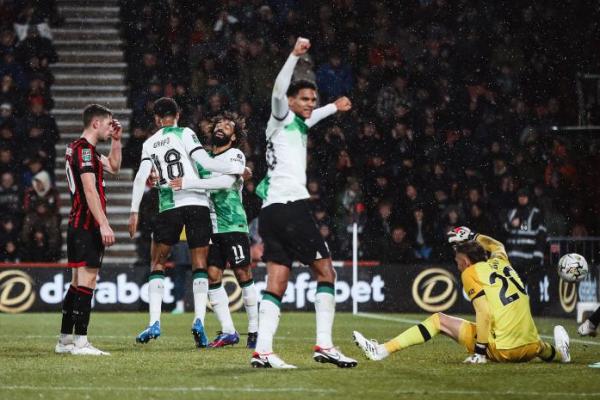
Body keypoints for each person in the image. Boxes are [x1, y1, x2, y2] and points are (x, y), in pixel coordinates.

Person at [251, 37, 356, 369]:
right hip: (291, 207)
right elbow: (278, 92)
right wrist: (293, 57)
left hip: (270, 211)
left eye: (314, 99)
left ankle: (263, 351)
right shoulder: (281, 115)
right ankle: (324, 344)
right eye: (305, 99)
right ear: (291, 101)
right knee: (326, 273)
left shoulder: (296, 123)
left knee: (277, 281)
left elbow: (312, 119)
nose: (310, 103)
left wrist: (332, 108)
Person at [353, 227, 571, 364]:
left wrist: (480, 352)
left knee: (438, 320)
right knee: (538, 345)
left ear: (466, 261)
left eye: (457, 262)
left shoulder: (470, 272)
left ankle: (381, 350)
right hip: (532, 346)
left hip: (503, 350)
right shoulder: (501, 261)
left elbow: (484, 313)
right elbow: (497, 245)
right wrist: (473, 235)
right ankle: (561, 355)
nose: (457, 266)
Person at [129, 97, 247, 347]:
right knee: (200, 265)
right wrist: (233, 169)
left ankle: (154, 322)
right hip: (197, 204)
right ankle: (199, 321)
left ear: (157, 119)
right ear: (178, 115)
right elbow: (204, 162)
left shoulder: (149, 143)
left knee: (157, 263)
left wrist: (133, 211)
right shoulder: (185, 133)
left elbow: (141, 177)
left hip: (169, 205)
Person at [169, 111, 259, 349]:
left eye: (228, 126)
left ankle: (255, 331)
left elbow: (225, 183)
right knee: (212, 277)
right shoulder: (204, 158)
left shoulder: (236, 155)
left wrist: (190, 183)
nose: (221, 127)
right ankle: (229, 331)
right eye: (219, 124)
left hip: (233, 224)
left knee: (243, 275)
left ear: (234, 136)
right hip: (211, 227)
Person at [55, 104, 122, 356]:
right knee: (87, 281)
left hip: (77, 225)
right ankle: (81, 342)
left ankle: (64, 341)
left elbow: (114, 167)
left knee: (76, 283)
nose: (110, 128)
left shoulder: (80, 149)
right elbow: (89, 189)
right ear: (95, 123)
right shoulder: (84, 152)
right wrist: (104, 223)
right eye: (108, 125)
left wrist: (117, 141)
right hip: (86, 225)